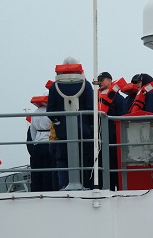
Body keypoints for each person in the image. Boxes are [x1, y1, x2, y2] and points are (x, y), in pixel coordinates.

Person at [46, 57, 94, 189]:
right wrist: (87, 125)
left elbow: (50, 111)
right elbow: (91, 109)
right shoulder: (86, 85)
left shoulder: (54, 87)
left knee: (62, 160)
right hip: (83, 133)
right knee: (85, 161)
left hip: (63, 134)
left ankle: (64, 187)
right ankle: (85, 186)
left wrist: (59, 124)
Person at [96, 71, 126, 190]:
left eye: (102, 80)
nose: (100, 82)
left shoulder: (118, 98)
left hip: (113, 137)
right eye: (99, 80)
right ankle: (104, 187)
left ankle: (116, 187)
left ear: (109, 80)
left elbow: (122, 116)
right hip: (99, 136)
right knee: (101, 163)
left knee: (114, 163)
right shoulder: (96, 97)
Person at [26, 93, 56, 192]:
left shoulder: (35, 113)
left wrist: (35, 142)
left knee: (37, 171)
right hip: (48, 142)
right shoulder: (51, 112)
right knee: (49, 170)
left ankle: (36, 191)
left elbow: (32, 132)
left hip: (37, 144)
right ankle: (48, 190)